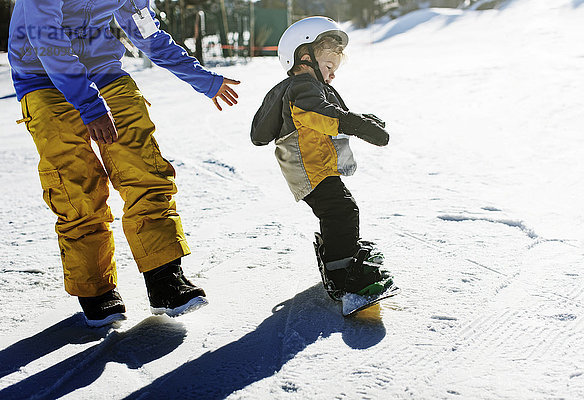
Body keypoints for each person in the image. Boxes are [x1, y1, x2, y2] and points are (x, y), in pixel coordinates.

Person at [8, 0, 240, 327]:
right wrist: (89, 105)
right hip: (42, 75)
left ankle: (164, 277)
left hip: (103, 70)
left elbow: (147, 33)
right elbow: (47, 38)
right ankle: (95, 287)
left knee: (144, 167)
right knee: (76, 184)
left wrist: (204, 79)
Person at [250, 17, 391, 301]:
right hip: (310, 166)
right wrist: (360, 127)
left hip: (315, 165)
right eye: (328, 67)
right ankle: (343, 273)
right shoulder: (302, 87)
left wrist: (363, 119)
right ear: (305, 58)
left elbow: (334, 110)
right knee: (342, 211)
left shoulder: (309, 88)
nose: (332, 75)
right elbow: (324, 116)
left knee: (338, 210)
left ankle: (339, 250)